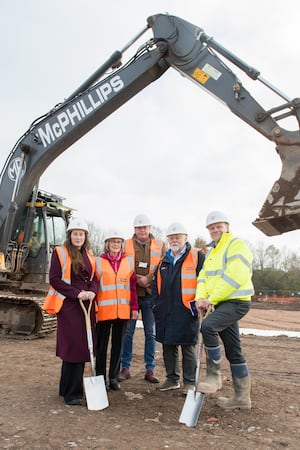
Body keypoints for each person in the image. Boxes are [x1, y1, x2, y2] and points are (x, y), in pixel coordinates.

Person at [195, 211, 254, 409]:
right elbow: (203, 277)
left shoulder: (236, 245)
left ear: (227, 227)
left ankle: (214, 375)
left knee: (208, 327)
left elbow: (235, 276)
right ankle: (242, 399)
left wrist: (212, 299)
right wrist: (200, 298)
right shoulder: (212, 253)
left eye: (219, 226)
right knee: (233, 350)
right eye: (212, 227)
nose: (215, 230)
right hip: (221, 303)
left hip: (236, 302)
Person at [43, 218, 99, 406]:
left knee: (83, 346)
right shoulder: (60, 252)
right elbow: (55, 279)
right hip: (69, 305)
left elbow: (95, 279)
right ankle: (72, 393)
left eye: (81, 234)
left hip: (87, 306)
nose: (78, 237)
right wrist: (77, 293)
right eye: (75, 233)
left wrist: (92, 291)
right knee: (73, 347)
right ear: (69, 235)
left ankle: (65, 387)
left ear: (85, 237)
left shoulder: (90, 255)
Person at [152, 222, 205, 393]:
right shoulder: (163, 261)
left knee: (187, 345)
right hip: (165, 309)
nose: (174, 240)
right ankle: (171, 379)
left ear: (185, 238)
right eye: (171, 237)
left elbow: (205, 281)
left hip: (187, 309)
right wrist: (156, 305)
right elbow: (155, 286)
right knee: (168, 344)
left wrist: (202, 301)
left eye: (177, 237)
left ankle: (189, 382)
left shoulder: (197, 256)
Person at [118, 214, 166, 383]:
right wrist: (135, 278)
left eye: (145, 227)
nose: (142, 230)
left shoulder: (160, 245)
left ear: (150, 228)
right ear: (135, 229)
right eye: (139, 228)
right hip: (130, 296)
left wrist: (149, 278)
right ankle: (125, 367)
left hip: (150, 296)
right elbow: (120, 265)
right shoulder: (126, 244)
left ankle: (150, 369)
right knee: (127, 333)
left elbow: (163, 266)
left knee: (150, 333)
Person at [95, 231, 138, 391]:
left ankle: (113, 377)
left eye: (118, 242)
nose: (115, 245)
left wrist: (134, 308)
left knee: (118, 346)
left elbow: (132, 287)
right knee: (101, 347)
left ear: (122, 245)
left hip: (122, 311)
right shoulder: (98, 262)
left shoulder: (128, 262)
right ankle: (100, 377)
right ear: (107, 244)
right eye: (112, 242)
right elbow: (94, 285)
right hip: (104, 311)